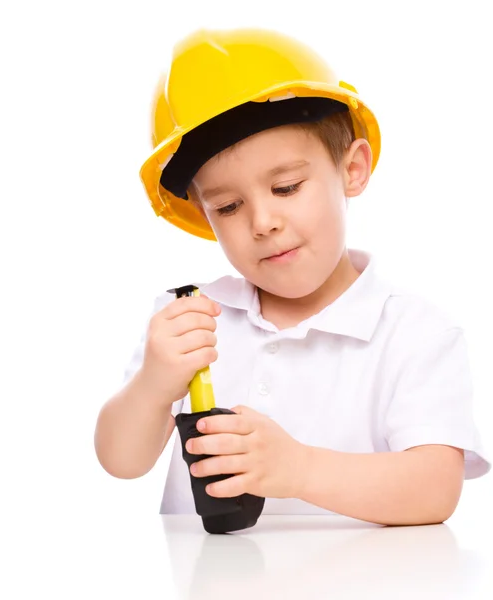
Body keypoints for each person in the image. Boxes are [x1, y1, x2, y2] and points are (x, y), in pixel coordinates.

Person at [94, 28, 490, 525]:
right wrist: (154, 382)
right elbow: (120, 461)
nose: (263, 223)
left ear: (353, 169)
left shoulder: (414, 331)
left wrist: (296, 468)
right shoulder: (190, 318)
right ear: (202, 213)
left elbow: (434, 491)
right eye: (229, 206)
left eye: (285, 187)